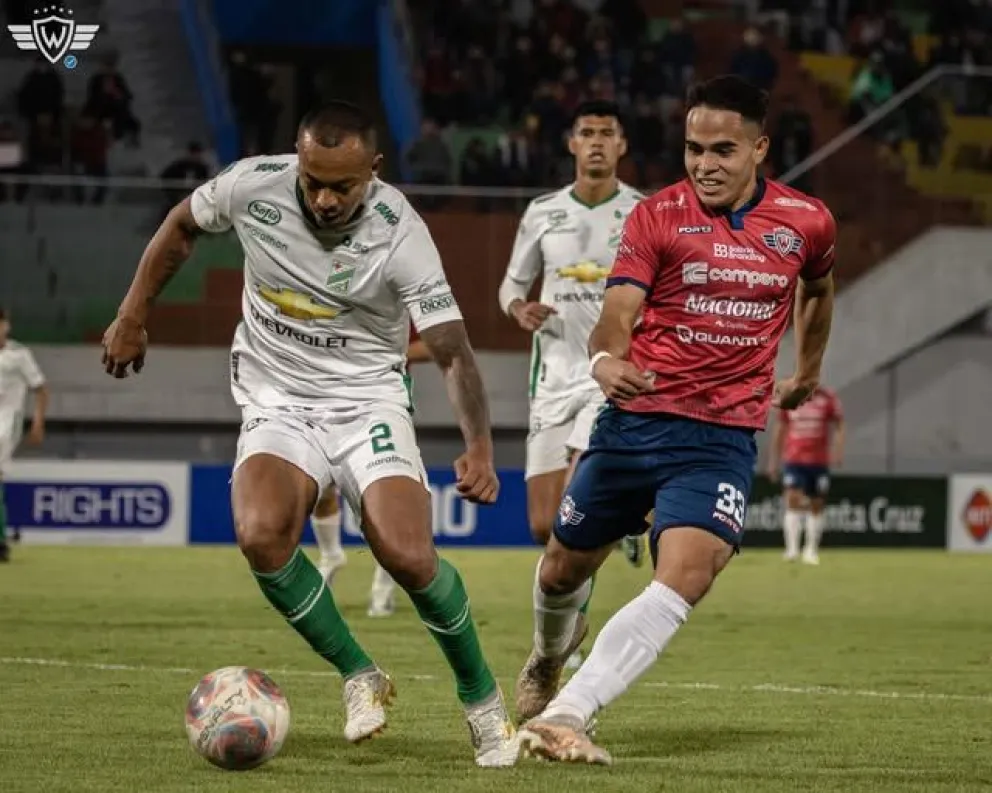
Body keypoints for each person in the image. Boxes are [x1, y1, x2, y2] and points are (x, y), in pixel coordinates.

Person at [100, 101, 519, 767]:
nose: (323, 198)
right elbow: (182, 224)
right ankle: (361, 673)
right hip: (278, 395)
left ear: (373, 172)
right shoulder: (252, 185)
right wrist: (132, 313)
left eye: (341, 186)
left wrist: (480, 446)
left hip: (368, 399)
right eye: (311, 181)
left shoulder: (400, 231)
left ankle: (482, 699)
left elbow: (450, 348)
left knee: (407, 555)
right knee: (261, 535)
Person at [515, 75, 837, 764]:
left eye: (723, 149)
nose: (704, 164)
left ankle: (569, 711)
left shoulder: (806, 221)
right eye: (694, 149)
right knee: (559, 568)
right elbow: (618, 311)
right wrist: (604, 356)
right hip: (636, 421)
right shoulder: (657, 216)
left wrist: (807, 369)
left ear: (760, 149)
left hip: (721, 436)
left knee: (690, 570)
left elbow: (817, 286)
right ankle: (547, 656)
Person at [498, 101, 648, 672]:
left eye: (607, 134)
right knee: (545, 525)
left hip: (607, 375)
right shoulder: (542, 213)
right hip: (551, 379)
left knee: (577, 509)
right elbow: (510, 286)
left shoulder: (642, 212)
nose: (596, 143)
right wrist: (519, 308)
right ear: (570, 144)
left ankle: (562, 650)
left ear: (622, 145)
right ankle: (626, 518)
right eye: (586, 133)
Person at [314, 331, 432, 618]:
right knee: (322, 488)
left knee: (385, 499)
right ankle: (331, 555)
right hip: (330, 398)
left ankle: (382, 589)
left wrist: (377, 352)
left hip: (382, 402)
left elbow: (431, 345)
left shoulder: (397, 295)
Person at [767, 386, 844, 565]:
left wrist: (838, 450)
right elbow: (780, 428)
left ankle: (811, 550)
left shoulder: (827, 398)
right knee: (792, 500)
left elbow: (840, 424)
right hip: (794, 459)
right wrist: (774, 461)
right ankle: (792, 550)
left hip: (819, 461)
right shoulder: (791, 398)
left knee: (816, 504)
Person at [0, 307, 48, 560]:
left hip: (8, 421)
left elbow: (40, 389)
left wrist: (38, 422)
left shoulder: (19, 354)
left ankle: (1, 543)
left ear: (6, 326)